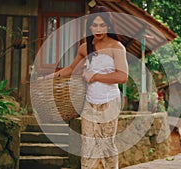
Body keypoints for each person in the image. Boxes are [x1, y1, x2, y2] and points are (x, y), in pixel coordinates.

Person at [54, 6, 128, 169]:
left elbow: (122, 76)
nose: (99, 29)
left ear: (108, 26)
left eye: (102, 25)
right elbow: (72, 70)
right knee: (88, 147)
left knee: (107, 145)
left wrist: (95, 77)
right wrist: (51, 76)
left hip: (109, 102)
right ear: (89, 26)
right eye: (95, 25)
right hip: (89, 102)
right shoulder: (84, 47)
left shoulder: (117, 47)